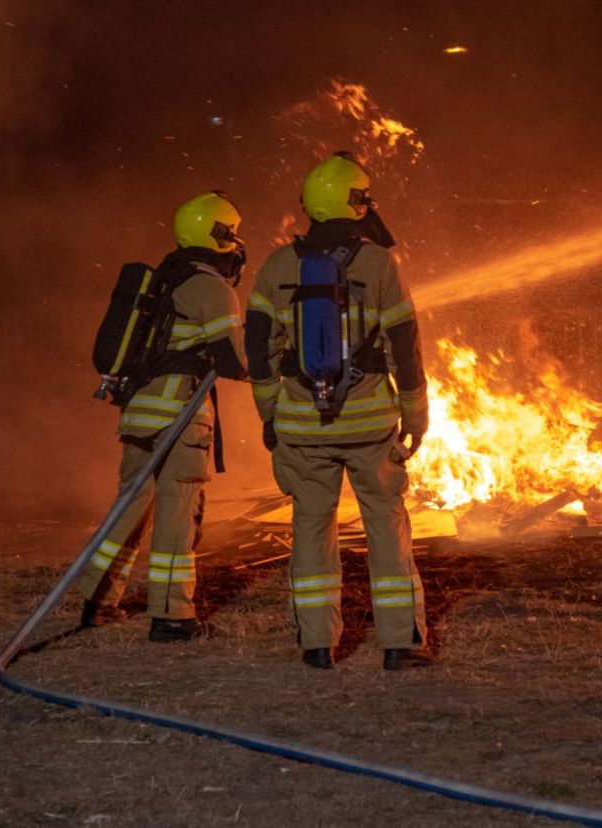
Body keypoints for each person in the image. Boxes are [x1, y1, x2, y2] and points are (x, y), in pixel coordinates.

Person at [244, 151, 431, 670]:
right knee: (386, 525)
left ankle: (316, 645)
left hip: (302, 428)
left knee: (310, 527)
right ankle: (398, 644)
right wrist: (415, 417)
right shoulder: (378, 264)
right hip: (371, 425)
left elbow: (259, 350)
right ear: (355, 203)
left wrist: (269, 413)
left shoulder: (278, 265)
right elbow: (404, 346)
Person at [77, 191, 249, 641]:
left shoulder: (164, 281)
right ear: (220, 234)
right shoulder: (212, 287)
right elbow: (236, 360)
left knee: (130, 506)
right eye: (232, 233)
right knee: (177, 512)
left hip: (139, 412)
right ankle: (172, 615)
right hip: (179, 417)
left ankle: (97, 599)